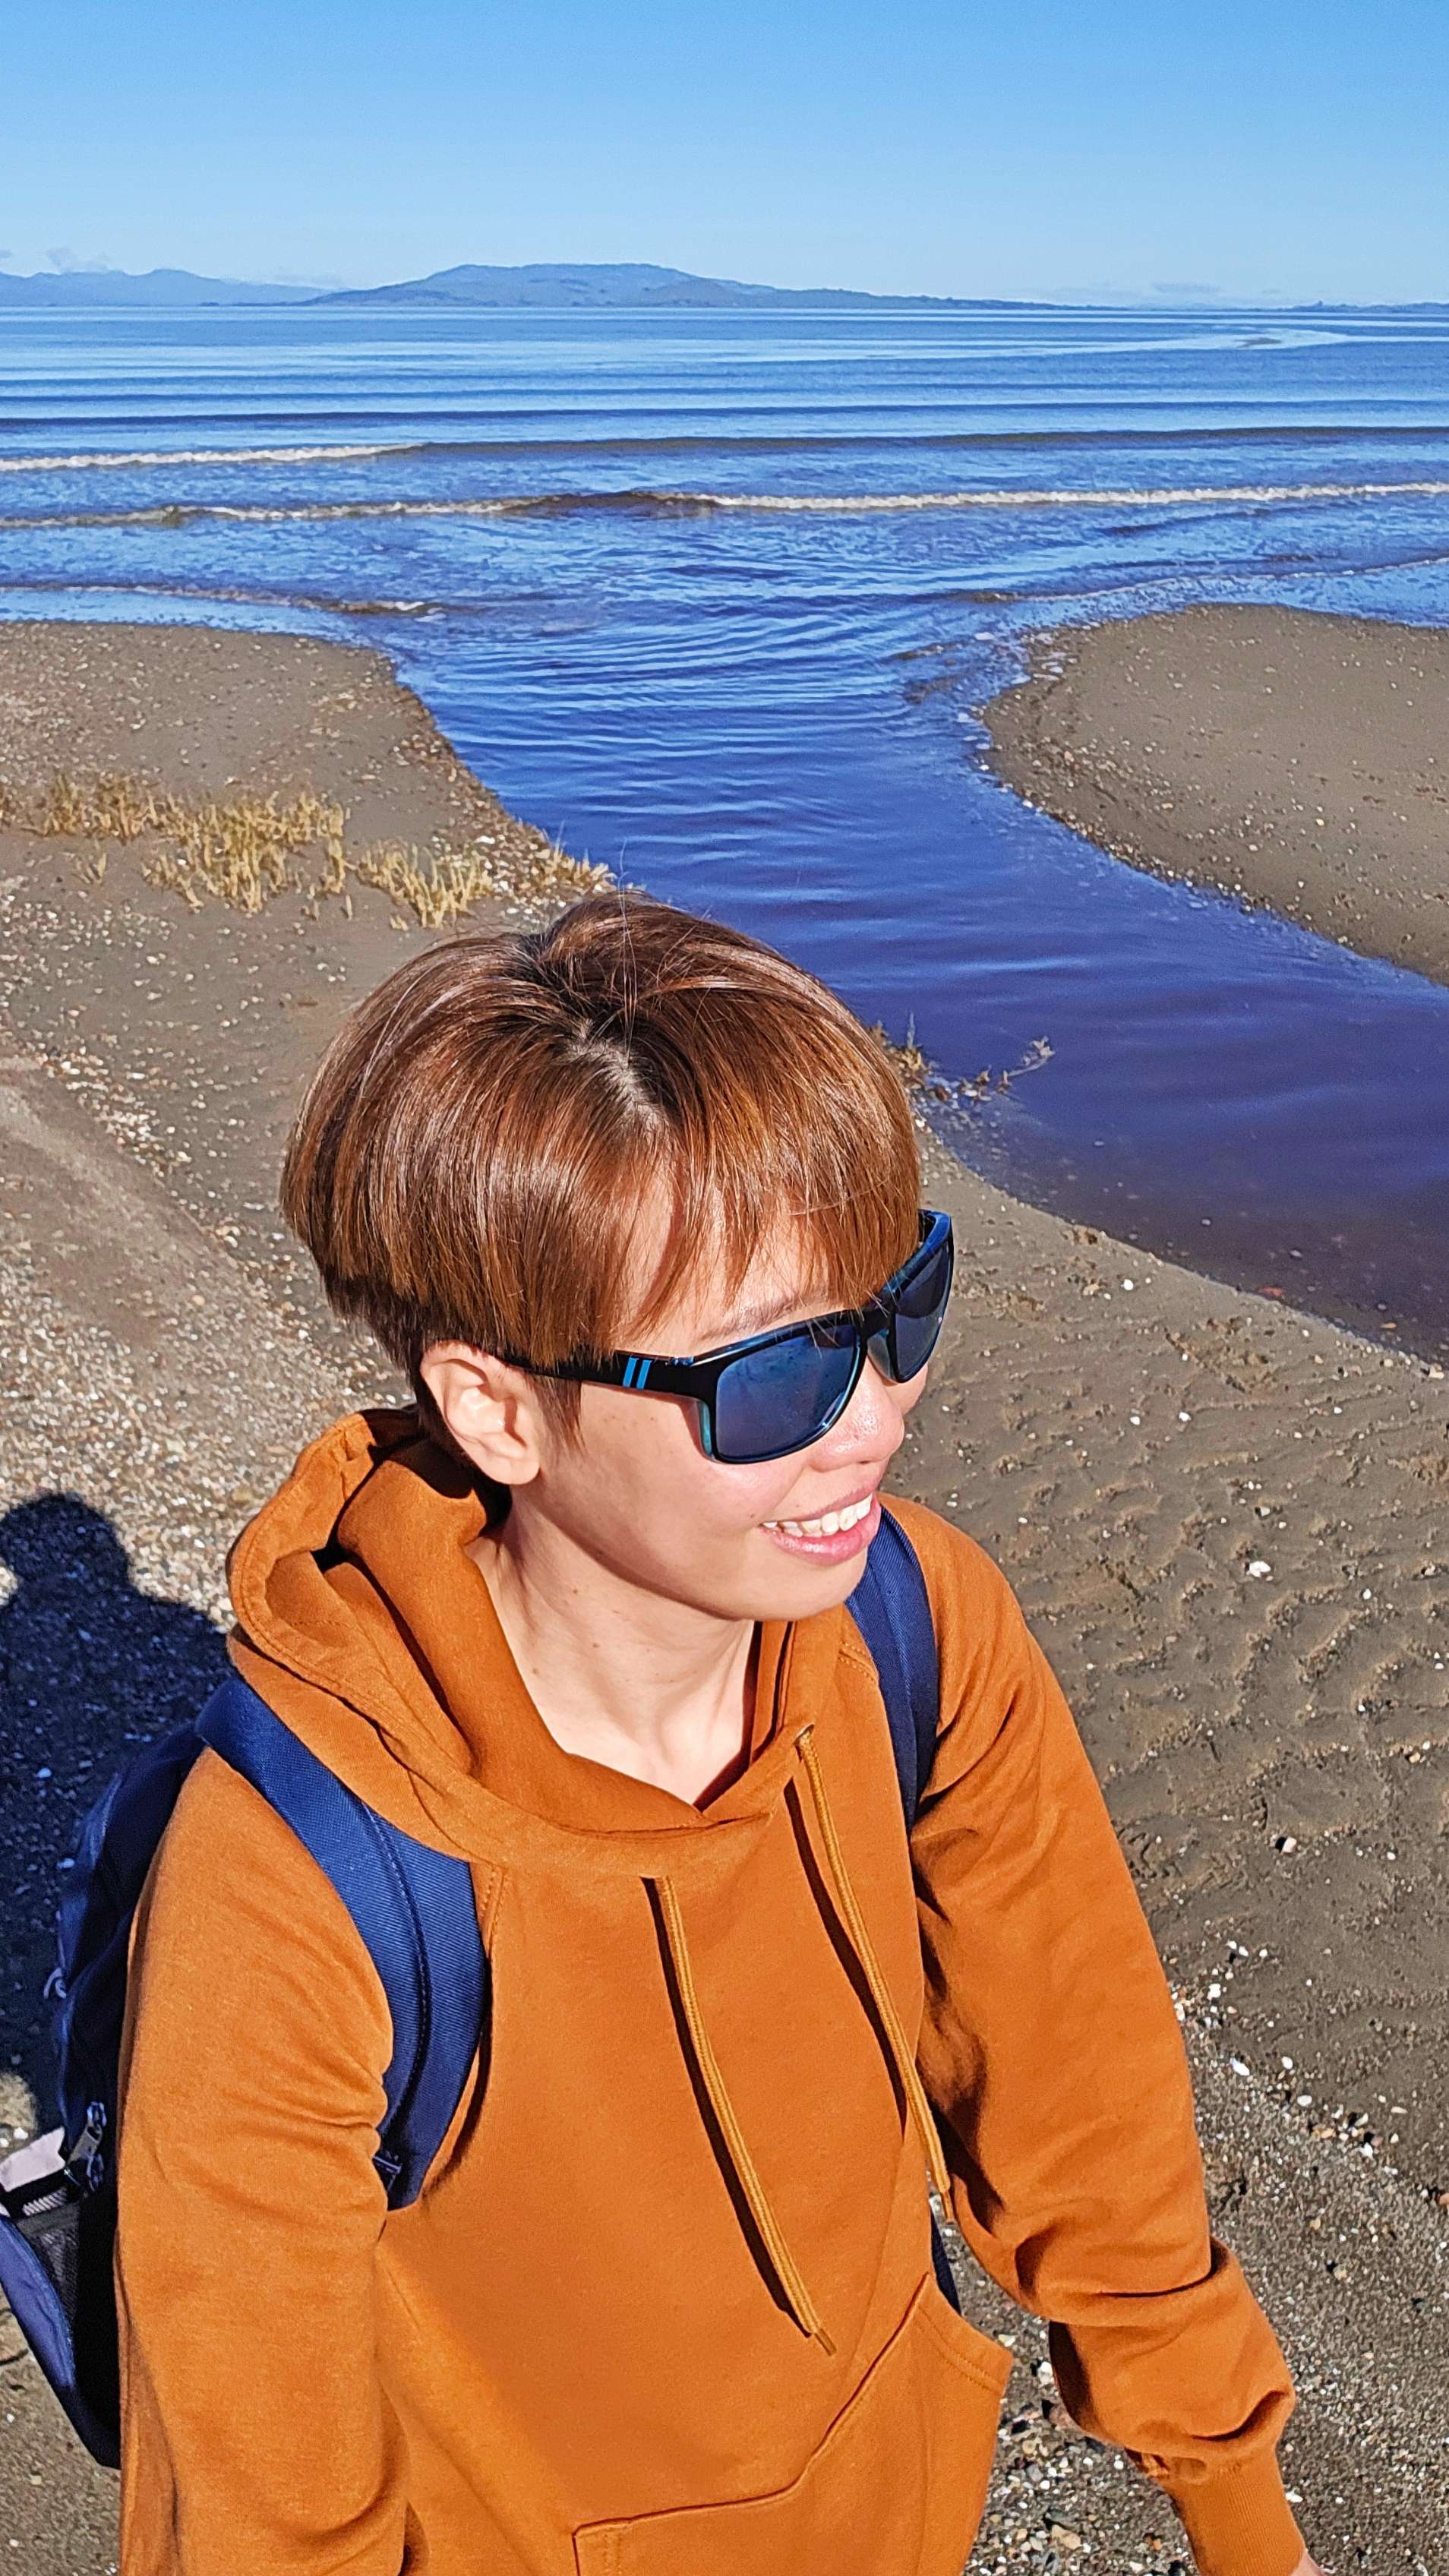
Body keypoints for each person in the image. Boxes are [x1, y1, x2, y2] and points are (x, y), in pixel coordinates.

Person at [115, 896, 1321, 2575]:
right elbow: (263, 2516)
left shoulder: (915, 1626)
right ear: (498, 1408)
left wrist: (1240, 2511)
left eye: (895, 1311)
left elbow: (1084, 2100)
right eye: (770, 1381)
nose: (872, 1422)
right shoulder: (296, 1885)